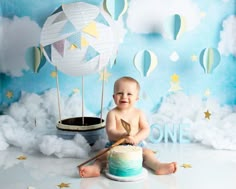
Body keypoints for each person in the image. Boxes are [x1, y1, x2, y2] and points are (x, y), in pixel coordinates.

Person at [79, 76, 177, 178]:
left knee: (148, 153)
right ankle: (96, 168)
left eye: (129, 94)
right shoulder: (112, 113)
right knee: (101, 155)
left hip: (136, 145)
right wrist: (122, 135)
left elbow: (146, 129)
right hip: (115, 145)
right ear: (114, 97)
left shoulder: (139, 113)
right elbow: (110, 131)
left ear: (136, 98)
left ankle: (158, 166)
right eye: (120, 93)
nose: (124, 96)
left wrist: (136, 138)